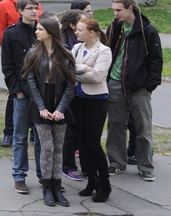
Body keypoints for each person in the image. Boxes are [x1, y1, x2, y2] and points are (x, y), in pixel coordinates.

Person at [106, 0, 162, 182]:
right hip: (115, 82)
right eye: (114, 10)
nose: (115, 14)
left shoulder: (147, 31)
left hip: (138, 86)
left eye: (118, 10)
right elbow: (108, 51)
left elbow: (156, 60)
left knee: (143, 126)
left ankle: (145, 165)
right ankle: (116, 162)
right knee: (115, 124)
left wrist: (150, 85)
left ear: (130, 8)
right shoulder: (115, 27)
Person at [24, 15, 77, 207]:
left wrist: (61, 109)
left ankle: (57, 186)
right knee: (47, 147)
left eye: (40, 29)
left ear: (50, 32)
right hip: (41, 104)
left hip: (60, 104)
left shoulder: (65, 53)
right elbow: (30, 81)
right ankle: (47, 187)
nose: (36, 32)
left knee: (58, 148)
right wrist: (41, 107)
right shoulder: (33, 53)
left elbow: (71, 84)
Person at [0, 0, 43, 148]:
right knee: (14, 101)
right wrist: (9, 47)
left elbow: (43, 24)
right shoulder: (4, 5)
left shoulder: (35, 3)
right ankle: (9, 132)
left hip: (36, 66)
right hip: (16, 58)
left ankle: (33, 132)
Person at [1, 0, 41, 195]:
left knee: (42, 137)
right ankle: (19, 175)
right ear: (21, 11)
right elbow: (7, 66)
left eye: (36, 8)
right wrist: (16, 90)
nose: (35, 12)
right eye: (30, 8)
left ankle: (44, 174)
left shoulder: (43, 31)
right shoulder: (11, 33)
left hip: (42, 94)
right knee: (19, 136)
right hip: (22, 93)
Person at [71, 17, 112, 203]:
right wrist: (83, 68)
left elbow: (98, 76)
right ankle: (92, 180)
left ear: (92, 32)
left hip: (96, 100)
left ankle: (105, 184)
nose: (76, 33)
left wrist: (77, 74)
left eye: (80, 30)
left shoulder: (104, 51)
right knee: (83, 143)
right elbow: (68, 69)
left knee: (93, 143)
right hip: (79, 99)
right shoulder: (77, 48)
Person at [58, 9, 85, 181]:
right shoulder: (65, 43)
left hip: (83, 92)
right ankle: (67, 166)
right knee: (70, 129)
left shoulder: (84, 41)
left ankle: (84, 164)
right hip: (68, 92)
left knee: (80, 129)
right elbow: (70, 69)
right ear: (73, 26)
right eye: (83, 21)